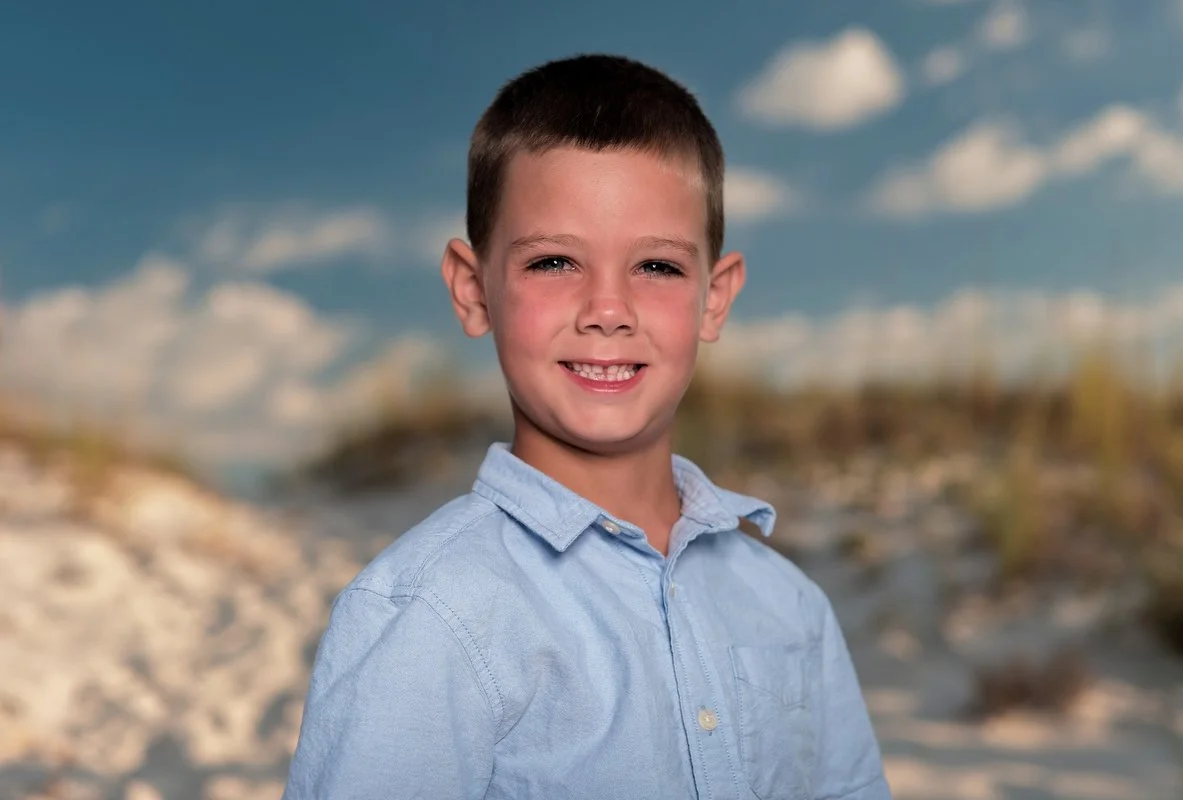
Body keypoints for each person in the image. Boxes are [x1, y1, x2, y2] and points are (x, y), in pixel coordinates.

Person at [281, 53, 891, 800]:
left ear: (715, 297)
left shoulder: (790, 606)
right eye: (555, 262)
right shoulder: (429, 617)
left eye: (658, 268)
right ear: (473, 291)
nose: (608, 309)